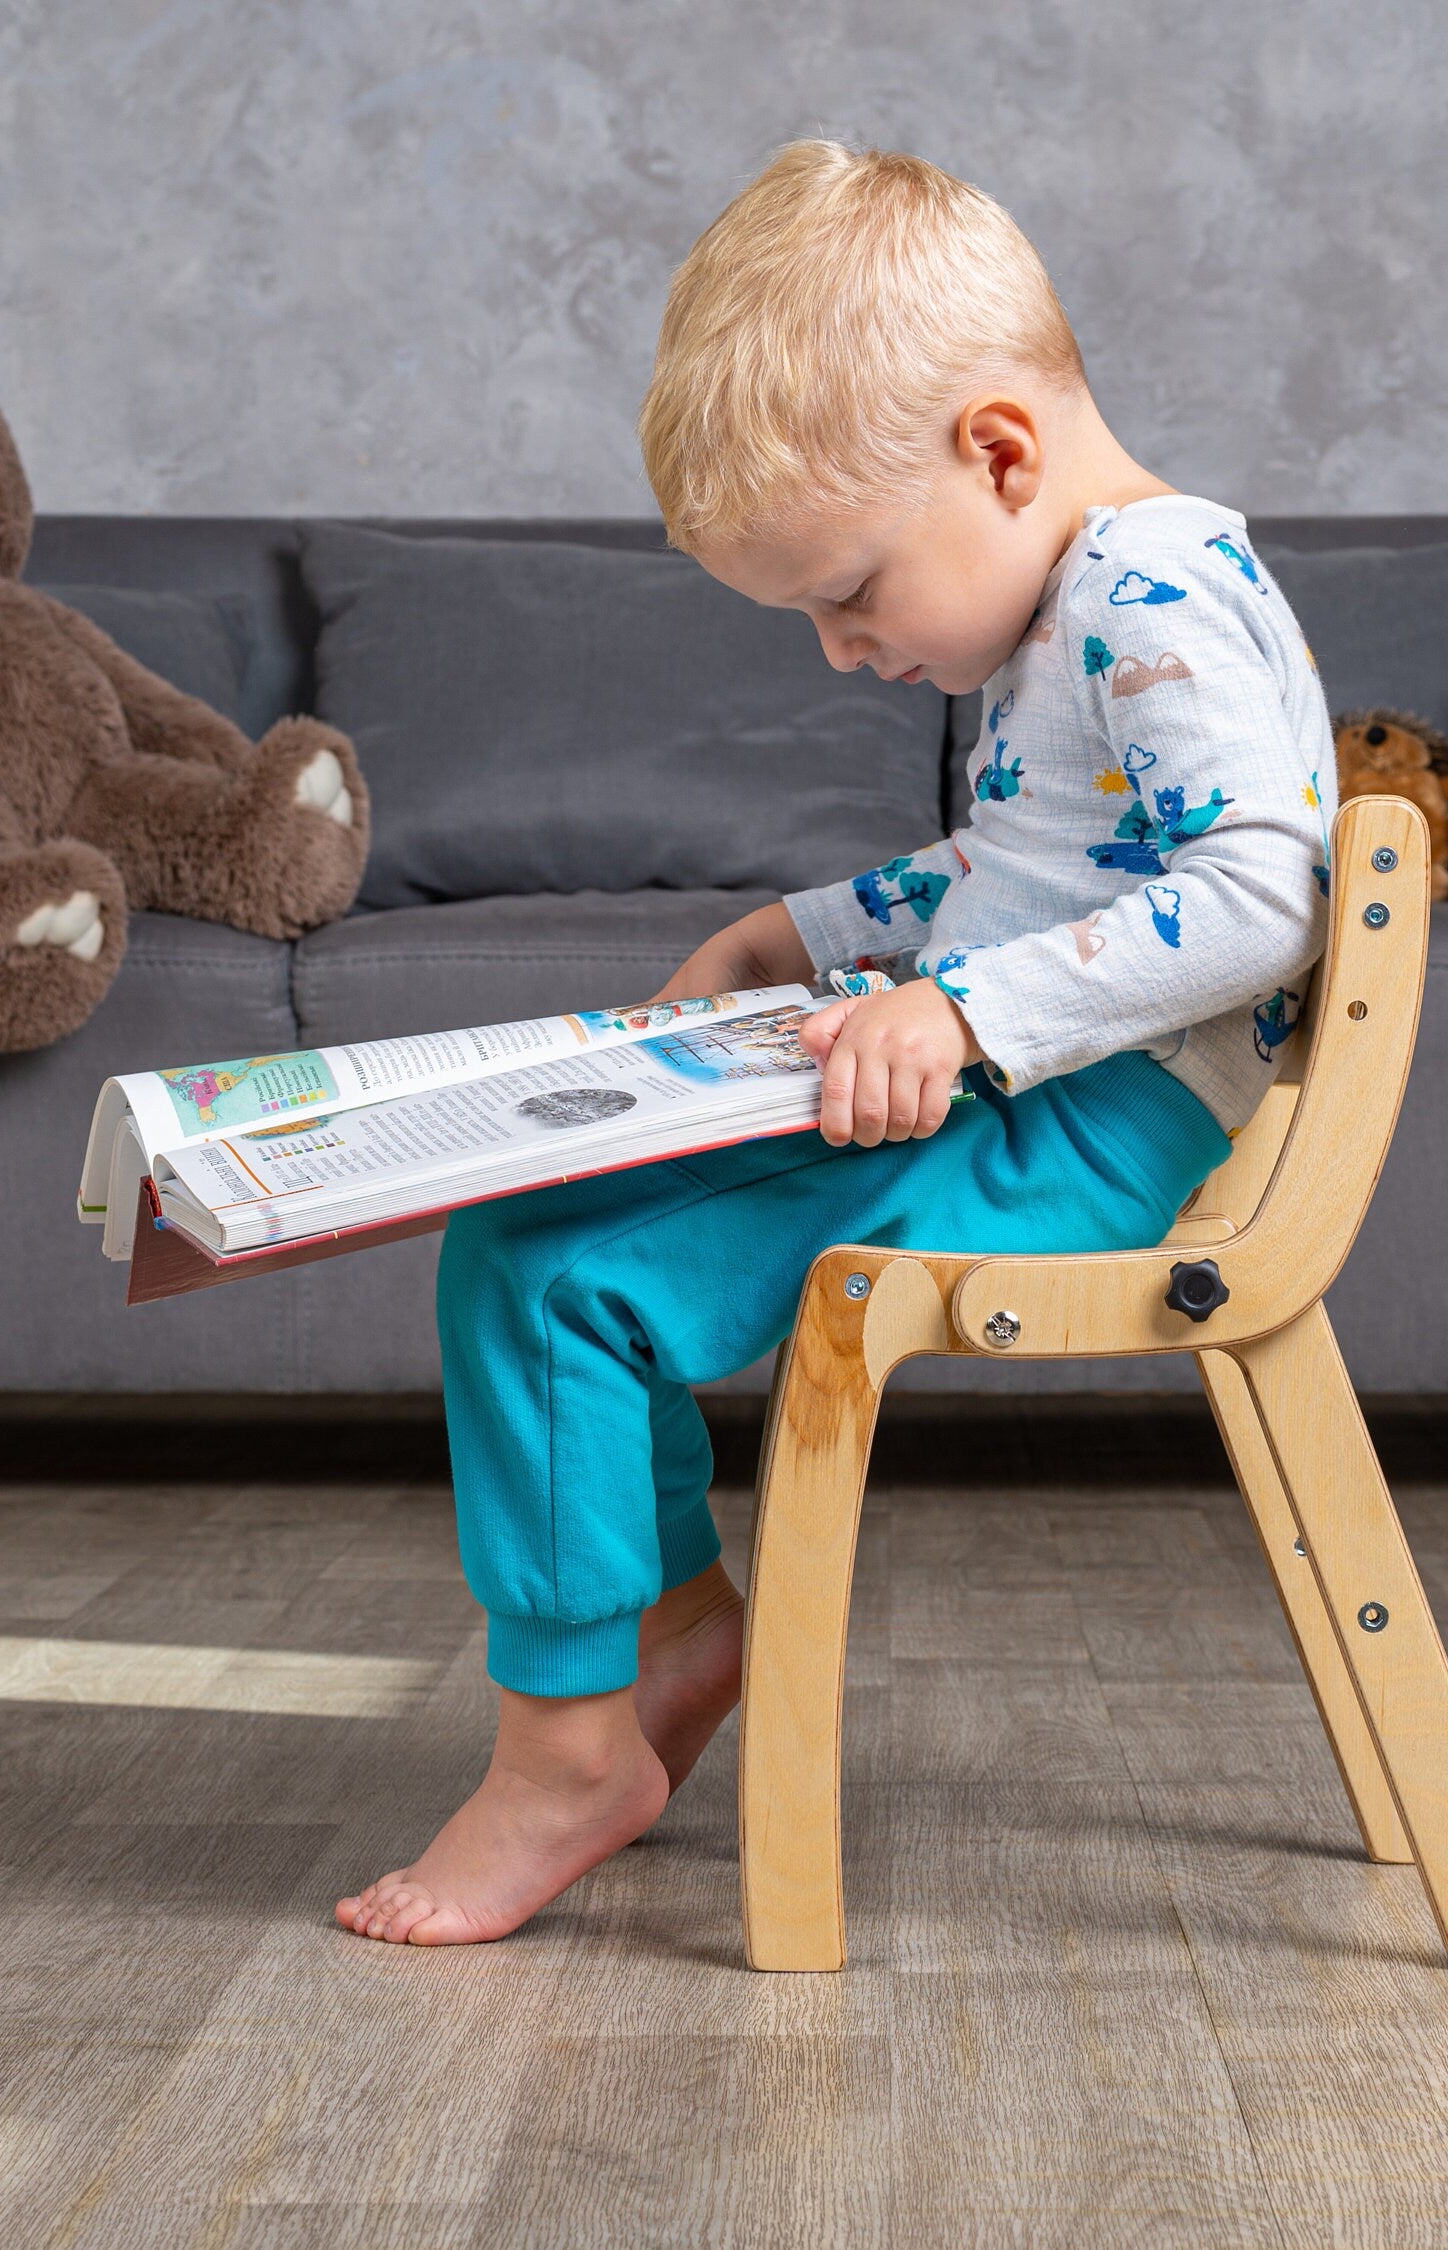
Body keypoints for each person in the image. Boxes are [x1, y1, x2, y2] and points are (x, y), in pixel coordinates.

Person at [338, 141, 1332, 1945]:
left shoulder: (1146, 593)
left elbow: (1267, 891)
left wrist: (958, 1011)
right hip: (1048, 1103)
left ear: (1001, 453)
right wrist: (792, 937)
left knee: (546, 1271)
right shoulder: (1093, 597)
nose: (839, 647)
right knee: (543, 1216)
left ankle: (571, 1748)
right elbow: (1018, 871)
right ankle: (668, 1639)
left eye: (851, 590)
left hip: (1077, 1133)